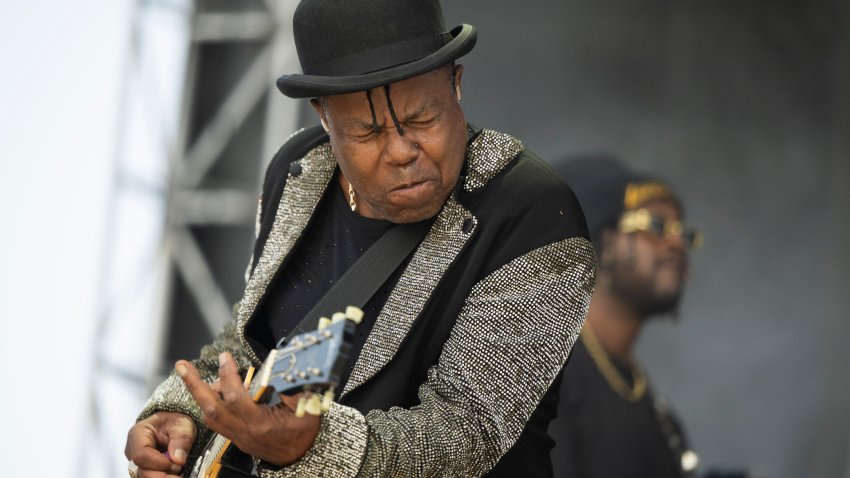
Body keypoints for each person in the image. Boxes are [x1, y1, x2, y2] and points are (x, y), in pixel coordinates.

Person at [123, 0, 596, 477]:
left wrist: (316, 446)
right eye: (366, 132)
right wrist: (184, 415)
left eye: (422, 119)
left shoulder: (534, 215)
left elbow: (468, 432)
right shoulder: (298, 171)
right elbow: (256, 343)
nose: (401, 152)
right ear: (325, 119)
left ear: (456, 83)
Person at [549, 156, 703, 478]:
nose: (676, 243)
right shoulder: (547, 378)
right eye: (656, 226)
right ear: (600, 239)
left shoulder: (654, 410)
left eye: (683, 233)